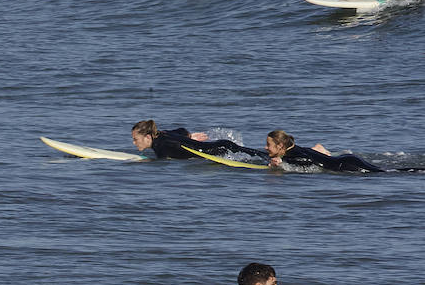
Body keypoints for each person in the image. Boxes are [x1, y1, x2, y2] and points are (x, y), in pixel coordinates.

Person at [130, 120, 264, 161]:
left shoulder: (161, 147)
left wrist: (151, 161)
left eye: (136, 139)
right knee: (258, 155)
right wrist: (189, 136)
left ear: (148, 137)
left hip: (218, 151)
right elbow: (181, 130)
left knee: (260, 159)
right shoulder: (162, 134)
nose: (134, 142)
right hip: (221, 145)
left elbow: (165, 159)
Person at [265, 129, 383, 173]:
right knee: (382, 171)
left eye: (268, 145)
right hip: (346, 159)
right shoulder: (293, 148)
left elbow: (307, 160)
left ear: (280, 145)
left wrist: (282, 161)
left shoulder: (293, 154)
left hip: (345, 165)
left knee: (381, 173)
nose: (265, 148)